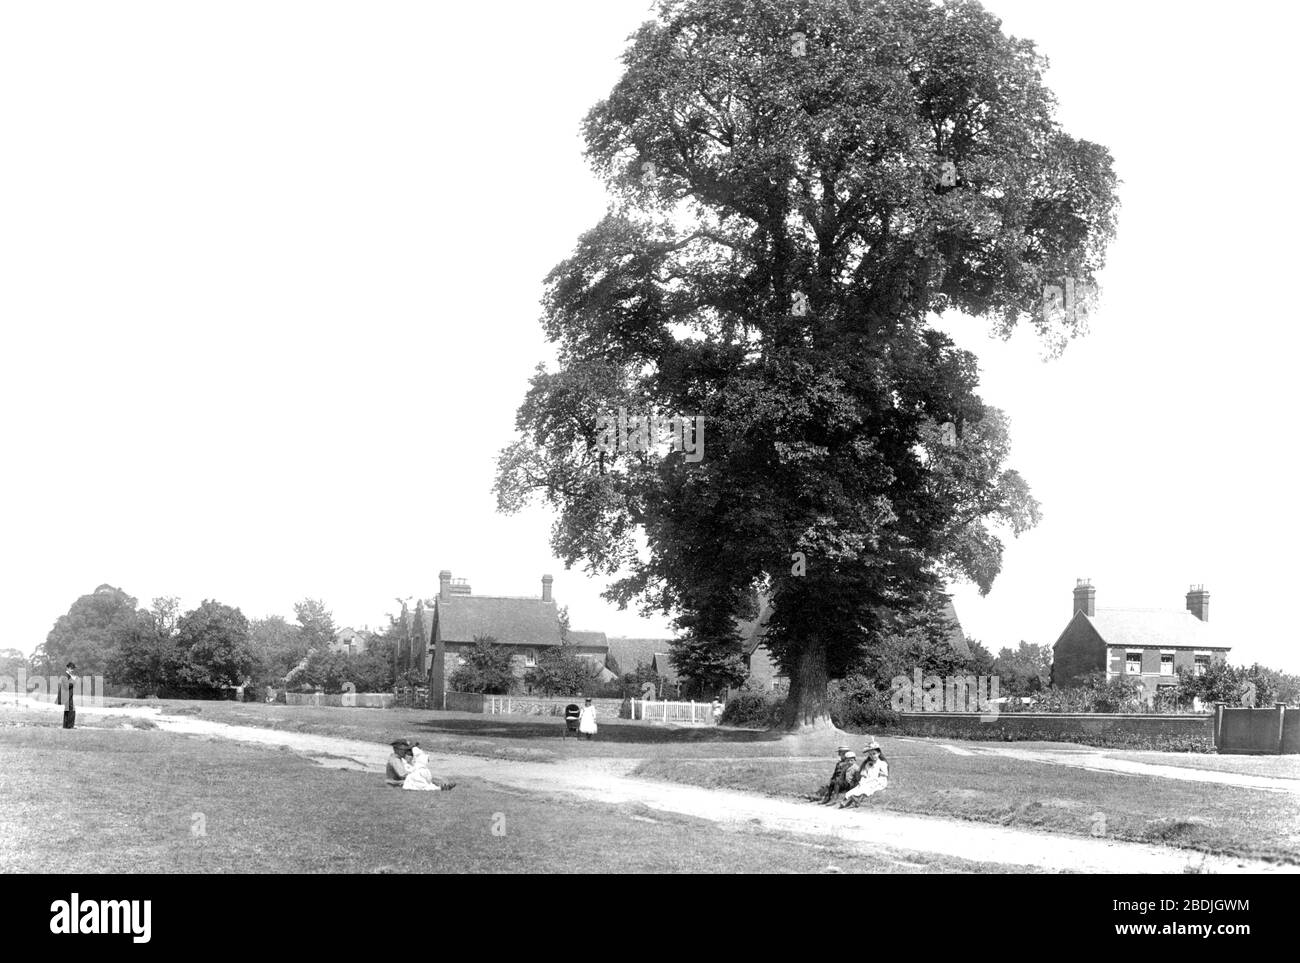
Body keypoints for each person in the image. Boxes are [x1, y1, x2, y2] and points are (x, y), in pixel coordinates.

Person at [840, 740, 888, 808]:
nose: (872, 756)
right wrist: (863, 780)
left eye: (874, 754)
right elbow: (864, 774)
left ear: (879, 753)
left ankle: (857, 800)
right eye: (870, 754)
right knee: (859, 787)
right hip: (868, 780)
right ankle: (846, 800)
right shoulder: (868, 764)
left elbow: (884, 775)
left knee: (868, 788)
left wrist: (876, 779)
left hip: (879, 781)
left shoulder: (882, 763)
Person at [56, 662, 76, 730]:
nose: (72, 670)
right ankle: (70, 726)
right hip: (67, 696)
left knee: (67, 710)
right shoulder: (65, 675)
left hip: (68, 695)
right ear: (67, 668)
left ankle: (66, 726)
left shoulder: (68, 675)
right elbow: (66, 686)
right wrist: (73, 681)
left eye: (73, 669)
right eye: (71, 668)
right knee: (71, 710)